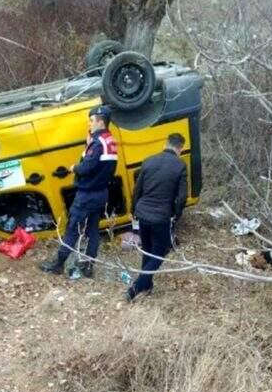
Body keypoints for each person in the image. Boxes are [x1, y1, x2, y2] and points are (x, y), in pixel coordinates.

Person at [40, 104, 118, 277]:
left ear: (100, 122)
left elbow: (87, 168)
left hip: (87, 195)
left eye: (91, 121)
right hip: (100, 193)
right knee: (92, 231)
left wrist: (75, 167)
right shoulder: (109, 140)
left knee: (73, 228)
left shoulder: (97, 144)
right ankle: (88, 266)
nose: (89, 124)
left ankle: (59, 264)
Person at [125, 133, 187, 302]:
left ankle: (147, 284)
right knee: (160, 252)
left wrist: (133, 209)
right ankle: (136, 288)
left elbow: (137, 189)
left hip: (142, 213)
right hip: (161, 217)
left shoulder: (149, 161)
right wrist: (176, 213)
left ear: (166, 143)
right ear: (180, 148)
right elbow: (182, 197)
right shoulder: (180, 166)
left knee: (147, 249)